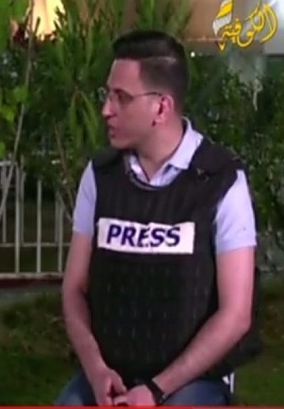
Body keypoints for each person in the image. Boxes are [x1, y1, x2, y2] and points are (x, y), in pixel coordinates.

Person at [55, 30, 262, 406]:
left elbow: (236, 316)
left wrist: (156, 389)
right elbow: (74, 290)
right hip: (110, 374)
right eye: (107, 95)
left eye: (121, 98)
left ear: (161, 108)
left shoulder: (221, 181)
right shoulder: (100, 176)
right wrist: (96, 369)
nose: (106, 110)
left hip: (193, 379)